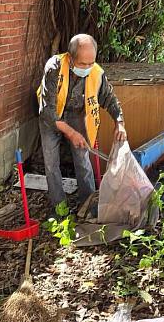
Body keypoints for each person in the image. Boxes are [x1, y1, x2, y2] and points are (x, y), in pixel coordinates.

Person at [37, 34, 126, 208]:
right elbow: (47, 111)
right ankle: (59, 207)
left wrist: (120, 122)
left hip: (77, 114)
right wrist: (71, 133)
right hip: (51, 116)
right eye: (82, 64)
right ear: (70, 58)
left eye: (91, 63)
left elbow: (109, 98)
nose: (87, 68)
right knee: (51, 163)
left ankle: (88, 205)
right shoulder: (54, 67)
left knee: (83, 159)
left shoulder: (97, 73)